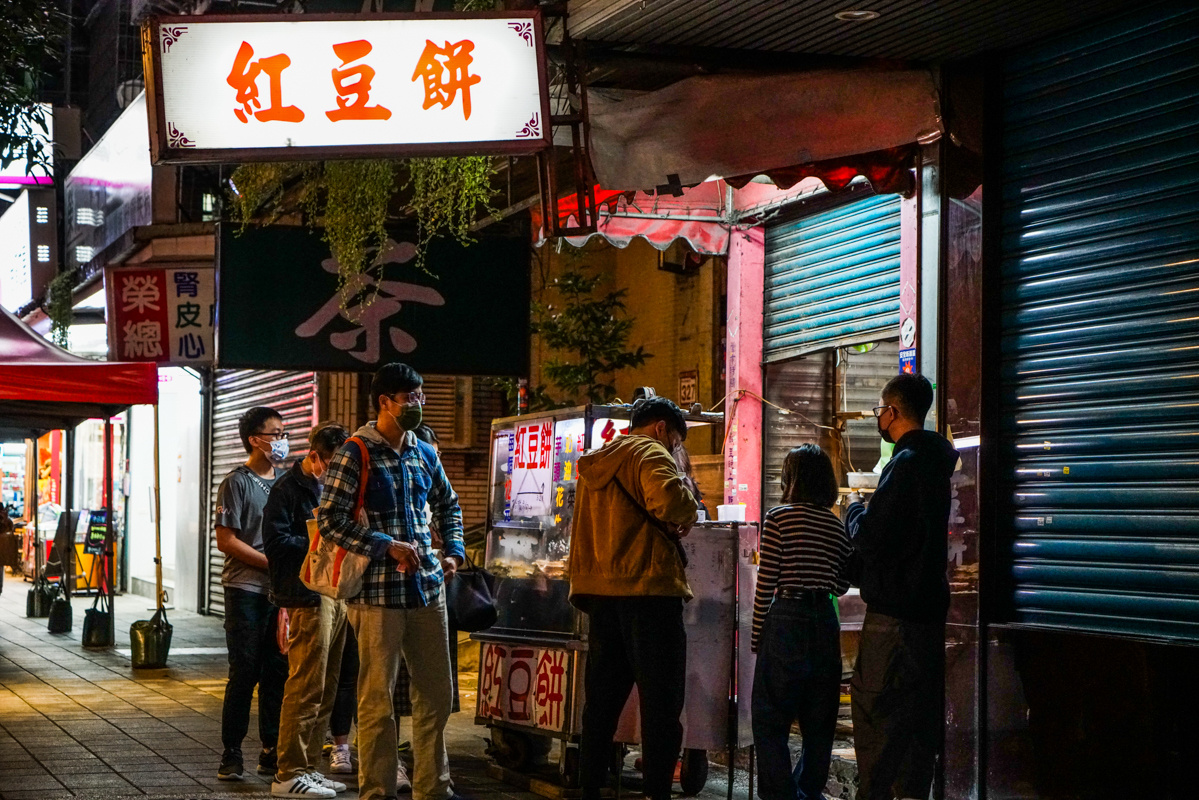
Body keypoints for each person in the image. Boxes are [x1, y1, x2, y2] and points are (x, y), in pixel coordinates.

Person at [317, 363, 464, 800]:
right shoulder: (355, 451)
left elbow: (448, 504)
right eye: (410, 398)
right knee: (377, 698)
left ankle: (432, 787)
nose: (418, 405)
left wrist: (454, 551)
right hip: (377, 594)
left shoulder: (424, 452)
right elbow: (330, 521)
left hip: (427, 589)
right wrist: (386, 544)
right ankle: (377, 790)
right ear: (385, 401)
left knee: (436, 694)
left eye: (420, 397)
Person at [569, 397, 699, 800]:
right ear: (661, 427)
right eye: (676, 440)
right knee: (661, 706)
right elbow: (672, 502)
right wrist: (689, 507)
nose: (675, 448)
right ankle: (656, 792)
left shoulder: (599, 459)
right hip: (649, 591)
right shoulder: (649, 451)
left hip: (603, 595)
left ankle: (590, 786)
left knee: (602, 705)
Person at [845, 373, 958, 800]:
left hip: (893, 623)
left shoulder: (906, 465)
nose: (879, 417)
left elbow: (873, 539)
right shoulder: (939, 464)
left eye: (879, 410)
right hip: (927, 620)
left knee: (878, 721)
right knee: (917, 729)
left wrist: (854, 510)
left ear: (891, 412)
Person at [751, 444, 852, 800]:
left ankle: (780, 795)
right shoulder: (837, 526)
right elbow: (841, 585)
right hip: (824, 620)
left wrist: (757, 636)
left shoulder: (778, 518)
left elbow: (766, 583)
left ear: (790, 478)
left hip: (786, 618)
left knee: (770, 716)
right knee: (820, 720)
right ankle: (808, 790)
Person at [263, 422, 351, 798]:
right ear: (314, 456)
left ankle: (310, 766)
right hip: (305, 595)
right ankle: (289, 772)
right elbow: (275, 540)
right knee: (305, 686)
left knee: (327, 686)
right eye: (330, 463)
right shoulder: (287, 488)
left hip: (335, 592)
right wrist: (317, 538)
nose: (334, 471)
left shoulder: (334, 488)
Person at [215, 406, 292, 780]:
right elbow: (226, 540)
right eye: (274, 433)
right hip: (244, 589)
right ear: (254, 439)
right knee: (244, 671)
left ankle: (271, 750)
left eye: (283, 432)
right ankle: (231, 753)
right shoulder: (236, 482)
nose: (281, 440)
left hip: (279, 594)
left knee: (277, 672)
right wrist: (269, 563)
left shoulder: (288, 482)